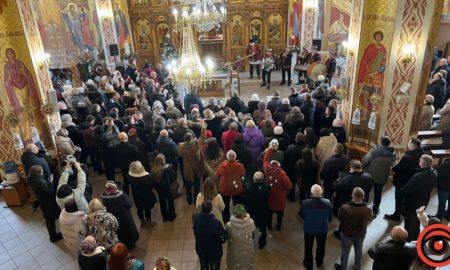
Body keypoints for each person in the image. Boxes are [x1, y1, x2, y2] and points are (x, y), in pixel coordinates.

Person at [385, 138, 424, 221]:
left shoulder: (408, 157)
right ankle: (404, 211)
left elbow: (400, 168)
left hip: (402, 181)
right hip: (412, 180)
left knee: (399, 198)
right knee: (407, 197)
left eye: (409, 143)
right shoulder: (421, 154)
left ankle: (396, 215)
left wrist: (393, 168)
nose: (407, 144)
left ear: (412, 145)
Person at [400, 154, 437, 241]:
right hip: (424, 200)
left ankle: (410, 241)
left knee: (410, 224)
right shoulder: (433, 172)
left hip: (413, 203)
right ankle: (416, 235)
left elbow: (406, 189)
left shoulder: (418, 176)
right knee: (416, 222)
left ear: (421, 163)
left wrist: (400, 191)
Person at [335, 188, 372, 270]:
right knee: (358, 250)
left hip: (347, 233)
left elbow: (339, 218)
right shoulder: (368, 208)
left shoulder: (345, 207)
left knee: (345, 251)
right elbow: (369, 218)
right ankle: (357, 267)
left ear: (352, 195)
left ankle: (343, 267)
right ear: (363, 197)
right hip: (360, 234)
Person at [361, 136, 395, 217]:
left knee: (366, 192)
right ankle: (375, 211)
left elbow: (364, 162)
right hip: (382, 177)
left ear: (380, 143)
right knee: (378, 193)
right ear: (389, 144)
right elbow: (391, 165)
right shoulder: (392, 155)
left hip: (369, 176)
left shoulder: (373, 152)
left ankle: (364, 209)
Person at [27, 165, 62, 242]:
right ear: (37, 173)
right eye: (41, 171)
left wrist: (48, 182)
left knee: (49, 219)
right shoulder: (39, 182)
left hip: (43, 201)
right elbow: (49, 193)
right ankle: (53, 236)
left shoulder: (33, 179)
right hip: (47, 203)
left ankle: (53, 235)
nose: (43, 171)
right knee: (50, 219)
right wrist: (52, 183)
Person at [300, 185, 332, 270]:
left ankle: (308, 263)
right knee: (321, 246)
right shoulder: (328, 202)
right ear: (321, 193)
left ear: (311, 194)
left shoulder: (305, 203)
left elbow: (302, 215)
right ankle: (319, 261)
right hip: (322, 229)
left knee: (308, 247)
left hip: (309, 230)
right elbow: (330, 217)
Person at [101, 181, 139, 250]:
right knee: (127, 231)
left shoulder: (104, 196)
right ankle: (130, 246)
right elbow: (130, 203)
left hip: (112, 217)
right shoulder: (121, 196)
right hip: (124, 217)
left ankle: (121, 245)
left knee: (118, 232)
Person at [263, 145, 293, 231]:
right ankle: (278, 226)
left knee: (269, 213)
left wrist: (269, 150)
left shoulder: (267, 169)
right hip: (280, 198)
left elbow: (265, 159)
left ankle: (269, 226)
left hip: (270, 196)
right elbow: (290, 186)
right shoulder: (282, 175)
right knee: (280, 214)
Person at [192, 200, 228, 270]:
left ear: (202, 208)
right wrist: (226, 232)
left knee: (203, 267)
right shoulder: (216, 223)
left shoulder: (195, 218)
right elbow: (222, 239)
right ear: (211, 209)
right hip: (213, 252)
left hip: (201, 249)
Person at [216, 150, 246, 223]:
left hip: (225, 189)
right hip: (236, 188)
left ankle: (226, 222)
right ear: (235, 157)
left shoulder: (222, 166)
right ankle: (238, 220)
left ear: (227, 157)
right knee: (237, 205)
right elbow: (243, 173)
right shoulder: (239, 166)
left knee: (225, 207)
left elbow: (217, 174)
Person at [225, 204, 256, 270]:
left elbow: (227, 236)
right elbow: (253, 231)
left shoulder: (229, 225)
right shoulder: (251, 222)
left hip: (235, 250)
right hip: (248, 249)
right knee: (247, 264)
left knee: (234, 265)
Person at [245, 171, 271, 249]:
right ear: (263, 180)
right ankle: (262, 244)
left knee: (251, 228)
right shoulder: (267, 187)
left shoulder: (249, 188)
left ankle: (251, 243)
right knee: (262, 228)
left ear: (254, 179)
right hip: (263, 211)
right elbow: (269, 195)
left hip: (252, 211)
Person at [128, 160, 157, 227]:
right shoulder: (146, 177)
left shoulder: (129, 176)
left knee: (139, 208)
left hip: (136, 196)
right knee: (147, 209)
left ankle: (142, 222)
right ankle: (149, 222)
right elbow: (152, 185)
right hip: (146, 195)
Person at [178, 132, 203, 204]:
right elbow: (200, 139)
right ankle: (196, 200)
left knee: (188, 183)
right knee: (197, 183)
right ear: (191, 138)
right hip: (196, 166)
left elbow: (179, 154)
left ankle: (189, 199)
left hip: (187, 167)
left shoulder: (181, 146)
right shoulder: (196, 144)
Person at [151, 154, 177, 222]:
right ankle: (172, 216)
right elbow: (174, 176)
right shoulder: (166, 169)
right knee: (170, 202)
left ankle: (165, 217)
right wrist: (170, 167)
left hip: (159, 190)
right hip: (168, 189)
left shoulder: (153, 170)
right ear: (162, 161)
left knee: (162, 203)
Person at [285, 132, 306, 201]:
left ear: (296, 139)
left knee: (292, 183)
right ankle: (302, 199)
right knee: (301, 184)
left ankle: (292, 197)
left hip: (291, 168)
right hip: (302, 168)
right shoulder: (306, 148)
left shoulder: (290, 148)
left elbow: (286, 158)